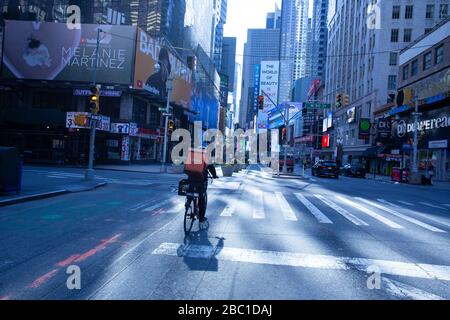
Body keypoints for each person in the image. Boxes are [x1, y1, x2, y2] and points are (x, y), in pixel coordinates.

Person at [184, 150, 218, 223]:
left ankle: (188, 201)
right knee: (201, 198)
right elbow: (211, 168)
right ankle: (201, 218)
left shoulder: (191, 156)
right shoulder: (206, 157)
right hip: (201, 180)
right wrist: (214, 175)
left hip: (191, 179)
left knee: (190, 192)